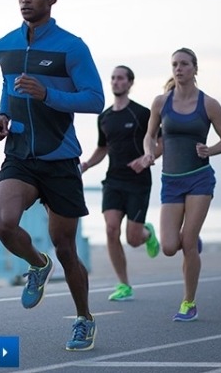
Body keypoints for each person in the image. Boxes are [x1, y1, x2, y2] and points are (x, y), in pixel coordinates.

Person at [0, 0, 104, 351]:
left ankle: (84, 318)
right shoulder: (4, 46)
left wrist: (47, 95)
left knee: (66, 248)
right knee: (3, 224)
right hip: (20, 153)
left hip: (60, 157)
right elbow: (8, 87)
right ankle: (38, 265)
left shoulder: (72, 47)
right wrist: (3, 114)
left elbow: (94, 99)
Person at [140, 47, 221, 322]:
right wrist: (148, 153)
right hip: (171, 181)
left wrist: (209, 150)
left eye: (184, 64)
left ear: (194, 69)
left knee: (187, 242)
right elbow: (149, 136)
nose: (178, 69)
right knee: (170, 247)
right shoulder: (160, 102)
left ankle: (188, 302)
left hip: (199, 178)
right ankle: (191, 236)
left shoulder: (209, 104)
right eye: (174, 65)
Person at [80, 65, 162, 302]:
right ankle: (124, 285)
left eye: (120, 78)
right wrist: (87, 164)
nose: (116, 82)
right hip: (113, 181)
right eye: (113, 78)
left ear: (130, 83)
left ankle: (147, 233)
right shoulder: (104, 117)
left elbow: (162, 143)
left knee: (133, 239)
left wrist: (146, 160)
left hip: (138, 182)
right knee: (111, 229)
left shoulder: (142, 113)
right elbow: (102, 148)